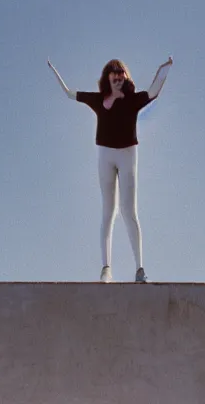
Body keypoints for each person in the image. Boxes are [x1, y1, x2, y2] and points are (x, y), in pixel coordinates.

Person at [47, 57, 173, 282]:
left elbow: (153, 92)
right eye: (113, 74)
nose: (117, 77)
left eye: (120, 73)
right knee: (109, 211)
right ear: (107, 78)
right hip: (105, 154)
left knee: (129, 211)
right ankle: (106, 268)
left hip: (127, 155)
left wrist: (164, 70)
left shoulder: (133, 100)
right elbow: (70, 94)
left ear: (125, 78)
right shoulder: (99, 100)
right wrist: (55, 72)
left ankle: (139, 269)